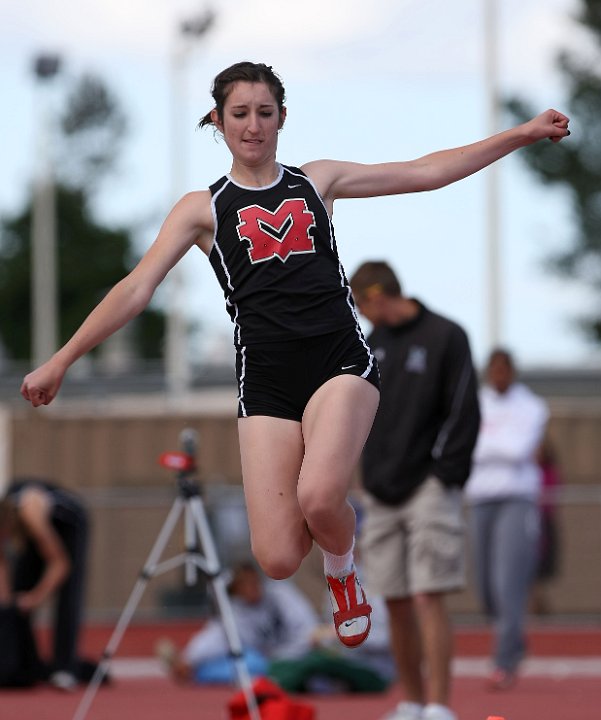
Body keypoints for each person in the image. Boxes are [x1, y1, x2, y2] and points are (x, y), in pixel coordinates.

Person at [19, 61, 570, 650]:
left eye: (264, 112)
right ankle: (324, 543)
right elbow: (135, 289)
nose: (253, 126)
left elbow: (423, 173)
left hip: (338, 363)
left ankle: (342, 570)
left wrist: (521, 133)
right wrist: (62, 359)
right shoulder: (201, 209)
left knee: (319, 495)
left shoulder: (317, 181)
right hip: (266, 384)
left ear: (282, 118)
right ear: (218, 121)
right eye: (239, 114)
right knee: (277, 556)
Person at [349, 261, 481, 720]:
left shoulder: (447, 335)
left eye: (361, 303)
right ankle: (410, 700)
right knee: (395, 600)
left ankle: (439, 706)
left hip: (428, 484)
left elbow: (465, 410)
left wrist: (445, 476)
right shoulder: (370, 344)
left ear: (378, 295)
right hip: (380, 491)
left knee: (429, 594)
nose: (362, 315)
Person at [464, 348, 550, 690]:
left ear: (512, 371)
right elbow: (467, 445)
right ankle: (513, 640)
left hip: (516, 499)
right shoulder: (475, 403)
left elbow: (519, 451)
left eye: (505, 369)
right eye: (494, 369)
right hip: (480, 499)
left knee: (507, 583)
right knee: (484, 585)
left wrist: (487, 445)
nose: (499, 375)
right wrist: (497, 445)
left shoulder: (531, 406)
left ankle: (504, 661)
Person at [0, 477, 93, 690]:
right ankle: (22, 661)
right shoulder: (8, 525)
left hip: (70, 525)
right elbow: (2, 563)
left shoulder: (29, 512)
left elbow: (60, 564)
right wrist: (6, 607)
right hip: (38, 530)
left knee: (69, 593)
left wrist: (36, 598)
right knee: (18, 591)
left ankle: (65, 668)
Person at [157, 562, 319, 684]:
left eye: (253, 582)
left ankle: (194, 673)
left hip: (295, 654)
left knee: (251, 666)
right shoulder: (237, 611)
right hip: (264, 659)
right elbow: (217, 636)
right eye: (244, 584)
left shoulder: (280, 594)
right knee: (244, 662)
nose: (251, 588)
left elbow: (306, 623)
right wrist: (191, 657)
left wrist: (309, 640)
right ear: (236, 589)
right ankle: (188, 665)